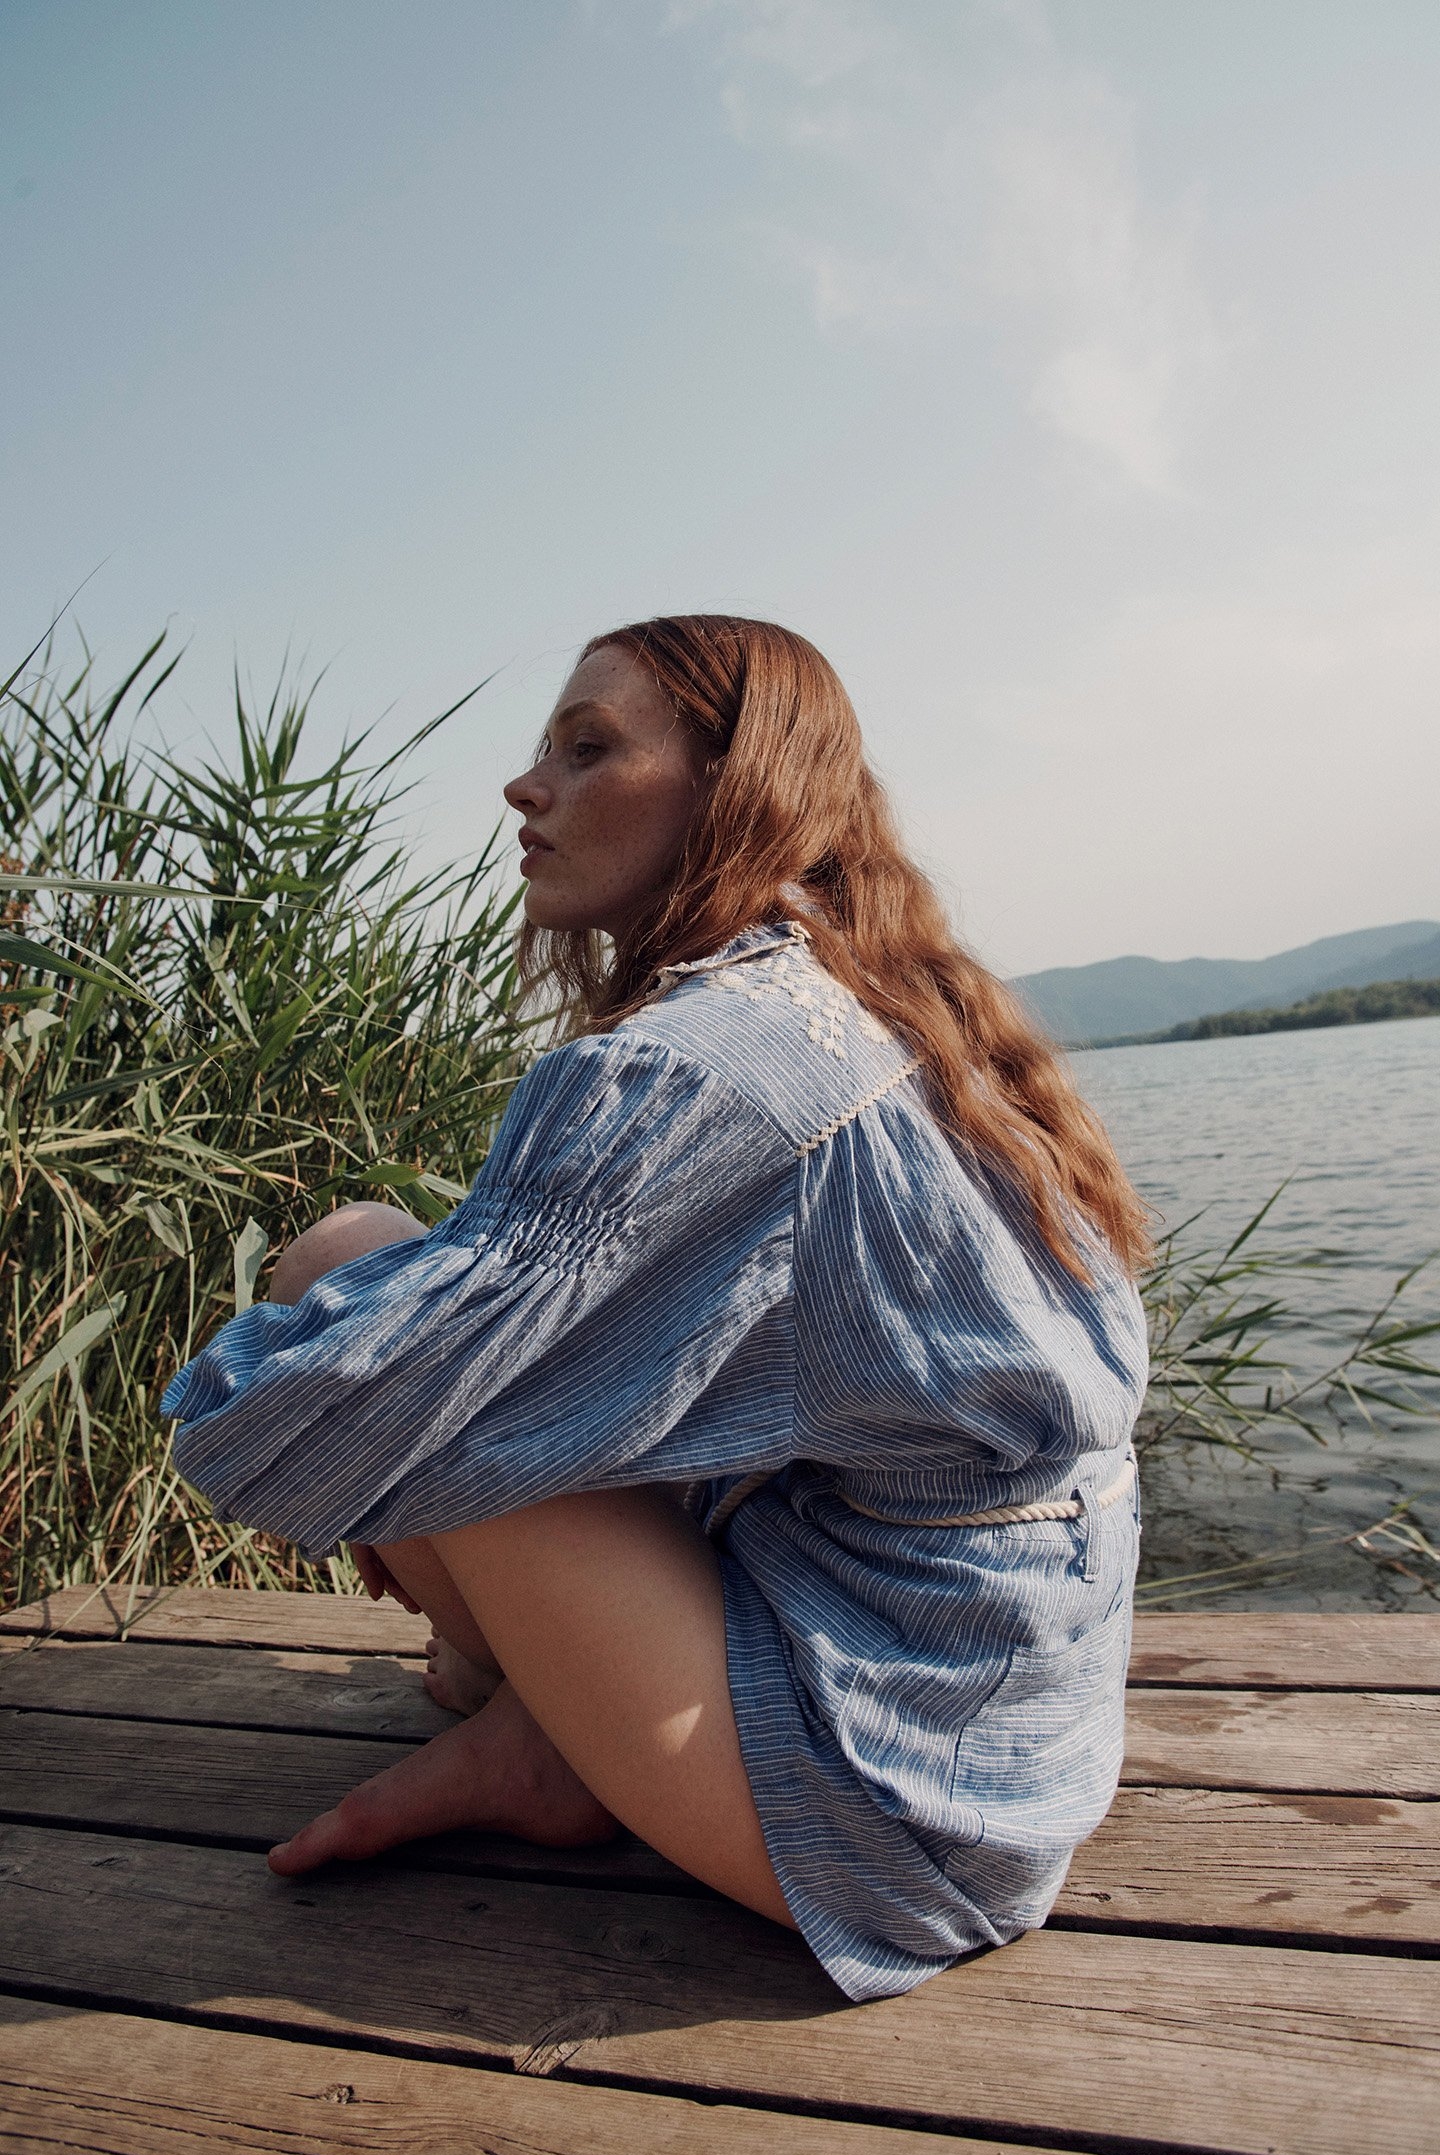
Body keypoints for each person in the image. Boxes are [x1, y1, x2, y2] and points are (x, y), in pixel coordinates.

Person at [163, 615, 1151, 2003]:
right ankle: (552, 1739)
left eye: (589, 747)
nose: (527, 787)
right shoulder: (882, 1007)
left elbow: (318, 1419)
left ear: (728, 785)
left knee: (336, 1273)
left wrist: (245, 1386)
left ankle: (545, 1729)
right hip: (1010, 1733)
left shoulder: (708, 1066)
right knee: (411, 1298)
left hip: (896, 1807)